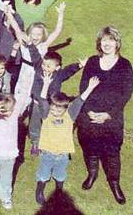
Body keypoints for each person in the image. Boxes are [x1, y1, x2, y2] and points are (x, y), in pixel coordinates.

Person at [76, 26, 133, 205]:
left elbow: (126, 94)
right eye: (104, 40)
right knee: (90, 147)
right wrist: (89, 112)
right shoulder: (93, 61)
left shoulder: (125, 65)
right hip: (90, 114)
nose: (107, 44)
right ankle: (92, 174)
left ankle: (115, 183)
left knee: (112, 152)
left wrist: (108, 115)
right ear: (99, 43)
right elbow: (83, 87)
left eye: (111, 40)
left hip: (112, 118)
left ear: (117, 43)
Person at [35, 75, 100, 204]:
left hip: (63, 154)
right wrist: (46, 84)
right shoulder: (46, 115)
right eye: (53, 107)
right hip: (48, 152)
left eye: (59, 109)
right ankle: (40, 190)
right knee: (44, 173)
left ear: (65, 108)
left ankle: (59, 191)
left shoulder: (70, 116)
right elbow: (42, 100)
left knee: (60, 175)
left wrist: (90, 87)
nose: (55, 111)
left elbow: (79, 101)